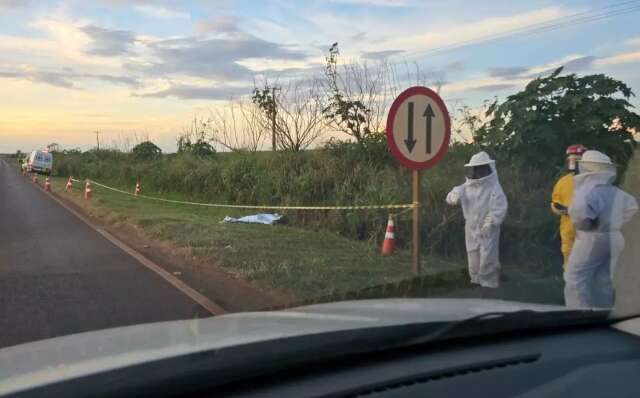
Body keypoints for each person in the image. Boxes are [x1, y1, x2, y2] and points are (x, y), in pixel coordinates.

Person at [564, 150, 638, 309]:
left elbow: (580, 217)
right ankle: (603, 313)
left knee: (576, 277)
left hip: (591, 238)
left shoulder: (586, 192)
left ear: (586, 168)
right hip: (615, 237)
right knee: (604, 278)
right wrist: (616, 223)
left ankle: (579, 314)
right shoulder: (617, 192)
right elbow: (632, 208)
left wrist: (590, 224)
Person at [446, 151, 508, 288]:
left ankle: (489, 287)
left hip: (488, 231)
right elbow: (451, 195)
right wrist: (453, 198)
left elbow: (498, 209)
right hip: (471, 228)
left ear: (487, 169)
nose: (478, 171)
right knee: (473, 258)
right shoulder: (467, 187)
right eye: (476, 168)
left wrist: (489, 224)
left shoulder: (494, 188)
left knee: (488, 260)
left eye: (481, 168)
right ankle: (475, 284)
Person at [551, 144, 587, 267]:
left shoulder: (593, 180)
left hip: (588, 229)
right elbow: (555, 201)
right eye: (571, 160)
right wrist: (559, 209)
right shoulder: (563, 182)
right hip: (568, 230)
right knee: (569, 261)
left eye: (577, 160)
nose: (573, 163)